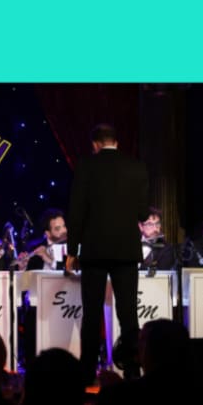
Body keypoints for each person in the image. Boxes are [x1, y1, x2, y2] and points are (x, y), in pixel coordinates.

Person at [66, 124, 150, 385]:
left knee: (92, 314)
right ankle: (133, 371)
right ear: (117, 142)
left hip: (95, 250)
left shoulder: (86, 166)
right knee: (129, 314)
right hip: (126, 250)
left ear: (95, 144)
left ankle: (87, 373)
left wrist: (72, 250)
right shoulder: (136, 166)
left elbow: (76, 212)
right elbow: (143, 214)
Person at [137, 207, 178, 271]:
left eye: (157, 224)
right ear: (140, 226)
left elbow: (159, 274)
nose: (155, 229)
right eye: (149, 224)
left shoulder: (166, 249)